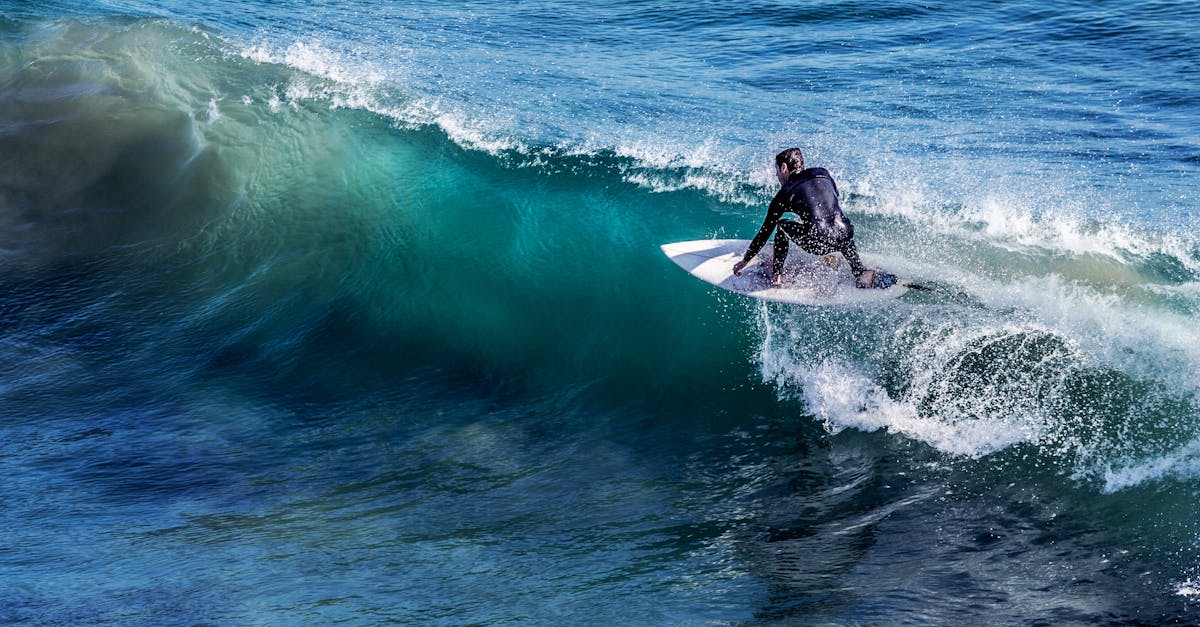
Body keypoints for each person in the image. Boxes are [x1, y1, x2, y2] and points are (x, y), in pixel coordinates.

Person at [731, 148, 882, 288]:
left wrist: (745, 260)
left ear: (784, 168)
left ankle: (777, 274)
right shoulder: (823, 173)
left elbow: (765, 232)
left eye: (777, 171)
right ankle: (860, 272)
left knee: (782, 226)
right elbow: (831, 200)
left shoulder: (785, 192)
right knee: (837, 225)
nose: (777, 175)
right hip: (846, 235)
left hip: (819, 243)